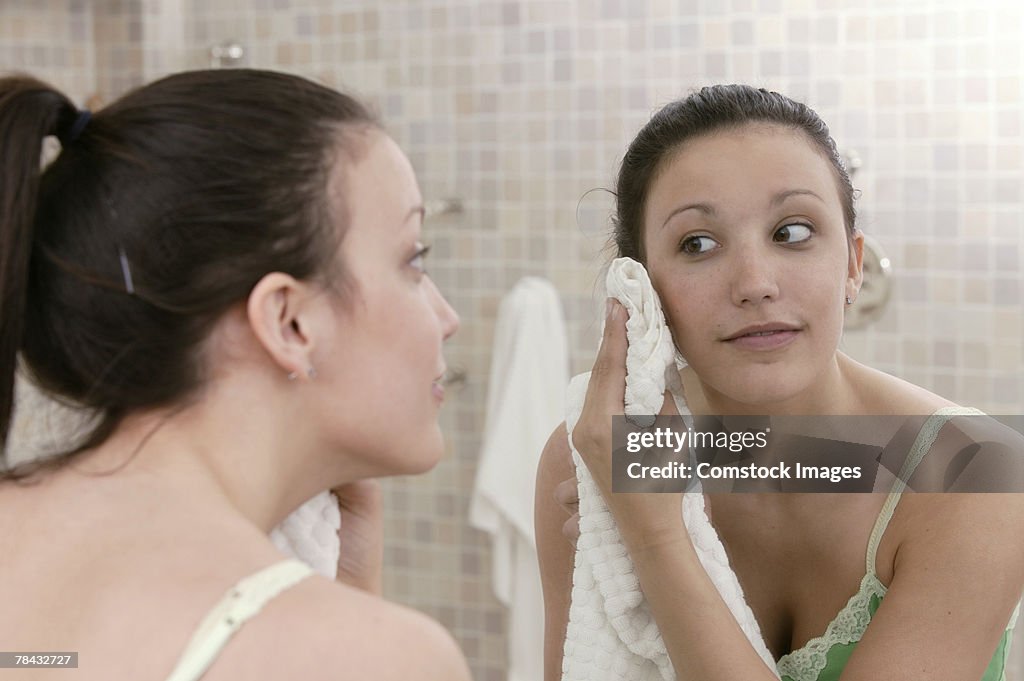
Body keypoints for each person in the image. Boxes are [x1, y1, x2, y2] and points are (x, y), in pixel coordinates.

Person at [536, 85, 1023, 681]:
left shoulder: (977, 475)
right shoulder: (592, 456)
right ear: (638, 288)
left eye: (792, 232)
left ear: (852, 265)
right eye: (698, 243)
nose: (755, 283)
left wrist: (655, 536)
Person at [0, 69, 469, 681]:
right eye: (414, 259)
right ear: (288, 321)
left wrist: (347, 597)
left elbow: (48, 663)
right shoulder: (372, 655)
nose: (449, 318)